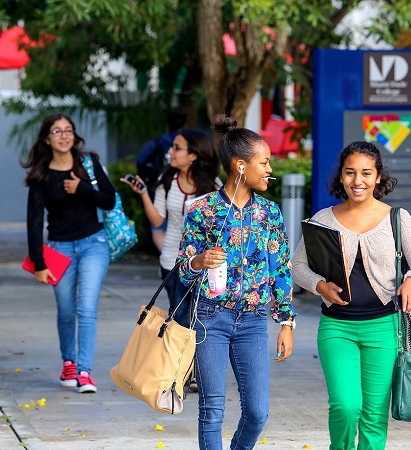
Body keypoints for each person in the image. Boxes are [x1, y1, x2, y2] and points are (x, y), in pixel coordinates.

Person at [291, 141, 411, 449]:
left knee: (373, 415)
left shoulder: (398, 218)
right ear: (340, 177)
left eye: (366, 173)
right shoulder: (323, 219)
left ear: (379, 177)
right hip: (336, 328)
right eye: (350, 173)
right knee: (345, 405)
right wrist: (318, 285)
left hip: (383, 328)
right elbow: (297, 266)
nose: (358, 181)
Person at [177, 114, 296, 450]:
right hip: (210, 318)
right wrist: (198, 261)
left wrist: (285, 321)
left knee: (258, 412)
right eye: (264, 162)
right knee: (211, 409)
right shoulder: (203, 210)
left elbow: (280, 269)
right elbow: (182, 270)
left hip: (254, 322)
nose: (269, 169)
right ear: (241, 166)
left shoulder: (270, 213)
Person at [24, 113, 116, 394]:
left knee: (86, 308)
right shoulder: (41, 175)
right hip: (59, 248)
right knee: (65, 310)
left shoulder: (89, 163)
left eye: (68, 130)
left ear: (75, 136)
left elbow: (109, 199)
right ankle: (69, 361)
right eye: (56, 131)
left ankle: (85, 371)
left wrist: (82, 188)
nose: (63, 136)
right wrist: (38, 262)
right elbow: (34, 220)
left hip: (93, 244)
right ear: (46, 138)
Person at [121, 129, 221, 327]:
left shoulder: (213, 186)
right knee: (180, 319)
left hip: (204, 263)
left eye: (177, 148)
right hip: (172, 261)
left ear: (193, 155)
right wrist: (143, 194)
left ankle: (201, 358)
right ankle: (182, 358)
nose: (170, 152)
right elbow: (158, 221)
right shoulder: (167, 182)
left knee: (203, 320)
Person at [136, 106, 187, 251]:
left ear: (167, 123)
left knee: (159, 226)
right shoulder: (190, 143)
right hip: (185, 191)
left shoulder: (158, 142)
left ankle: (169, 260)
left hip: (162, 188)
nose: (172, 153)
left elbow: (140, 161)